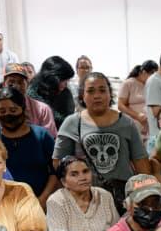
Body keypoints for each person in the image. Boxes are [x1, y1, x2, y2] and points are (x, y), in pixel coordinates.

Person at [53, 72, 150, 210]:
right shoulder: (72, 123)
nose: (97, 96)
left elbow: (141, 164)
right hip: (85, 200)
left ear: (110, 94)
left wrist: (145, 196)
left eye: (102, 90)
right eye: (91, 91)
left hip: (123, 199)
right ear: (82, 95)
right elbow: (58, 164)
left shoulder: (126, 123)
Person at [0, 86, 57, 209]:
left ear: (23, 109)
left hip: (39, 205)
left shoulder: (41, 136)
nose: (8, 115)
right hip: (1, 208)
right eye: (2, 111)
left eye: (13, 110)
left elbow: (55, 172)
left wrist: (42, 200)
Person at [45, 156, 117, 231]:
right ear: (64, 182)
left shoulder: (104, 195)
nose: (83, 178)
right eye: (74, 174)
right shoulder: (56, 201)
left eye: (85, 171)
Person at [0, 63, 57, 135]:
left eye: (20, 82)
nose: (16, 86)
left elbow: (50, 138)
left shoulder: (42, 109)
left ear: (27, 84)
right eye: (11, 82)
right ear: (4, 84)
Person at [28, 56, 76, 125]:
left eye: (68, 80)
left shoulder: (65, 92)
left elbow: (69, 120)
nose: (66, 83)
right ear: (53, 78)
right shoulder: (33, 92)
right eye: (64, 80)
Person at [118, 62, 152, 140]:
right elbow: (120, 105)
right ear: (143, 72)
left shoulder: (149, 85)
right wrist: (137, 115)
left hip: (147, 127)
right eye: (151, 74)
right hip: (132, 125)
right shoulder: (128, 83)